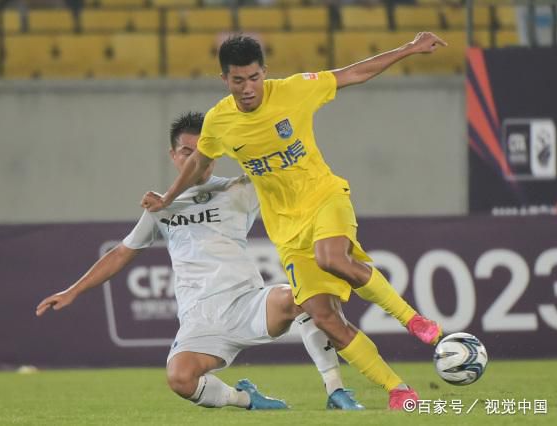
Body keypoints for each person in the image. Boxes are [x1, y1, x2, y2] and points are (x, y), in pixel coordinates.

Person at [141, 33, 448, 410]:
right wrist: (168, 198)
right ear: (225, 80)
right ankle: (398, 390)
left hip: (324, 198)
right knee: (325, 318)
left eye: (254, 78)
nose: (248, 87)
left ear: (264, 73)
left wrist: (408, 49)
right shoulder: (220, 121)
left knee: (331, 257)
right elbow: (200, 163)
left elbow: (352, 74)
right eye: (238, 80)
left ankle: (414, 321)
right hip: (286, 230)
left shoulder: (294, 90)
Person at [36, 112, 364, 411]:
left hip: (248, 302)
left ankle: (335, 390)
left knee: (306, 297)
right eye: (186, 152)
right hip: (201, 319)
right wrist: (73, 291)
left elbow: (287, 176)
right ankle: (247, 399)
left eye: (203, 150)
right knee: (180, 379)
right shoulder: (161, 207)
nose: (196, 158)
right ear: (173, 156)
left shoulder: (241, 189)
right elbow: (122, 252)